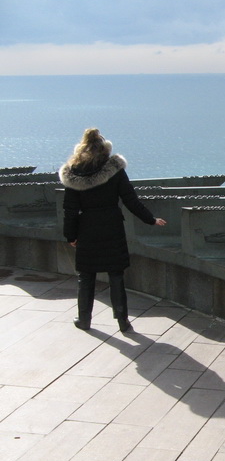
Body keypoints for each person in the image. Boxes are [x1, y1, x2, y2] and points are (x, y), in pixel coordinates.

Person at [59, 128, 166, 332]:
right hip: (112, 227)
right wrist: (151, 219)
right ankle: (123, 321)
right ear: (105, 149)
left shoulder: (74, 173)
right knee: (116, 276)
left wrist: (70, 235)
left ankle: (84, 320)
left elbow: (70, 210)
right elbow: (130, 200)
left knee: (86, 276)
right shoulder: (115, 169)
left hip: (87, 229)